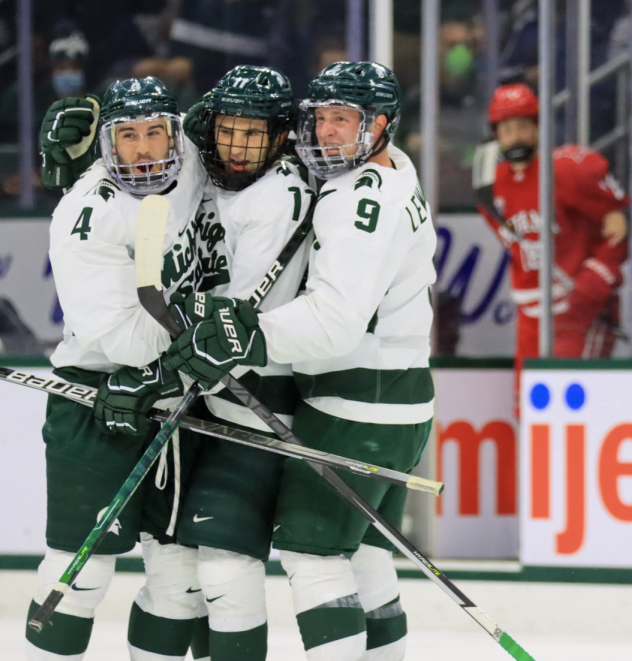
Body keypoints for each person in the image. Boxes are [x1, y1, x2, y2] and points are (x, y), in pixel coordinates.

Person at [162, 62, 436, 661]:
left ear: (382, 125)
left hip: (356, 405)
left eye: (345, 121)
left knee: (315, 556)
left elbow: (334, 324)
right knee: (364, 555)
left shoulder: (355, 200)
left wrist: (247, 334)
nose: (328, 133)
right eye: (321, 119)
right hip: (404, 400)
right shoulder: (394, 174)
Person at [25, 76, 207, 661]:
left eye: (157, 132)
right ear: (108, 145)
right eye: (128, 136)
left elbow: (233, 115)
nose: (146, 148)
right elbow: (123, 336)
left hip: (178, 392)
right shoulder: (86, 214)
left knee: (180, 577)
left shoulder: (193, 165)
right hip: (98, 396)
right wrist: (202, 331)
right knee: (82, 572)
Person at [476, 83, 630, 412]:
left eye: (522, 126)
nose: (515, 136)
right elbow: (515, 247)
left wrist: (593, 282)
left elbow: (618, 228)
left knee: (574, 414)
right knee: (529, 412)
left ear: (537, 128)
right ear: (496, 135)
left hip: (580, 312)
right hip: (531, 317)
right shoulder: (491, 187)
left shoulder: (568, 170)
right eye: (507, 129)